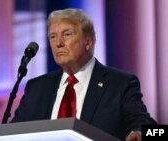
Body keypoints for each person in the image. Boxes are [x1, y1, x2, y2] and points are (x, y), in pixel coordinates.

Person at [10, 8, 157, 141]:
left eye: (67, 34)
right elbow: (12, 134)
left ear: (88, 42)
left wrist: (139, 133)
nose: (58, 43)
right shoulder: (37, 88)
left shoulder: (120, 84)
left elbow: (147, 126)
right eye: (53, 37)